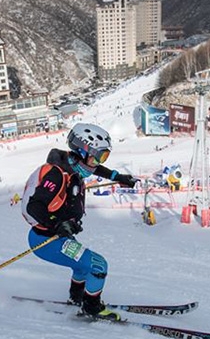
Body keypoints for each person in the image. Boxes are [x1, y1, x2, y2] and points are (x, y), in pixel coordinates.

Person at [22, 123, 137, 320]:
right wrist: (58, 224)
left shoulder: (72, 164)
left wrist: (117, 177)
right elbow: (35, 206)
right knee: (99, 265)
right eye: (98, 156)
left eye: (104, 156)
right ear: (82, 151)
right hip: (46, 240)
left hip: (57, 237)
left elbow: (95, 169)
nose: (98, 162)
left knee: (83, 266)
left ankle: (77, 298)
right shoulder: (57, 175)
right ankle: (92, 308)